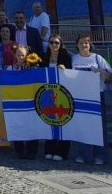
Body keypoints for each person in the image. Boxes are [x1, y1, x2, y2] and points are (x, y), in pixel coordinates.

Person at [71, 35, 112, 165]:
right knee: (82, 126)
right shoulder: (73, 58)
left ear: (90, 45)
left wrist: (102, 71)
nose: (84, 45)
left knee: (99, 127)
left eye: (86, 43)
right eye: (81, 43)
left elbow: (110, 76)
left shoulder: (97, 58)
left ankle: (100, 155)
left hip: (96, 95)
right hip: (80, 96)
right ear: (77, 45)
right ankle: (84, 154)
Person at [41, 34, 71, 162]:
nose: (54, 45)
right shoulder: (44, 57)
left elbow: (72, 73)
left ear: (60, 44)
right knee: (50, 120)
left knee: (64, 120)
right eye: (52, 42)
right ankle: (49, 148)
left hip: (63, 92)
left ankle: (62, 151)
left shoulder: (66, 56)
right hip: (48, 92)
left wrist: (65, 70)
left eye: (57, 43)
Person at [11, 46, 39, 159]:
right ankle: (19, 150)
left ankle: (32, 151)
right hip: (16, 101)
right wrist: (0, 74)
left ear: (27, 55)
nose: (21, 57)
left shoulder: (33, 68)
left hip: (30, 100)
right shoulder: (10, 69)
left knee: (32, 125)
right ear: (15, 55)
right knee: (17, 125)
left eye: (23, 55)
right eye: (18, 55)